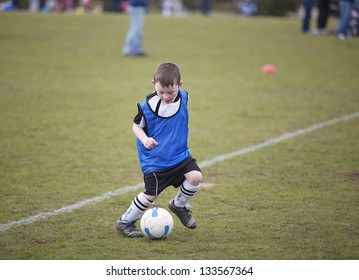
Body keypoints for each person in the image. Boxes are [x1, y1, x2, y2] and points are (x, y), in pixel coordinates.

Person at [116, 62, 203, 237]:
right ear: (153, 84)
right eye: (160, 91)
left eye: (170, 92)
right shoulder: (147, 106)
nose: (165, 96)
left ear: (180, 85)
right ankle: (124, 222)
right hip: (156, 160)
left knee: (195, 177)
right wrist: (145, 139)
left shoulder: (184, 97)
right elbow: (136, 127)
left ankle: (178, 205)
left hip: (179, 155)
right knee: (151, 195)